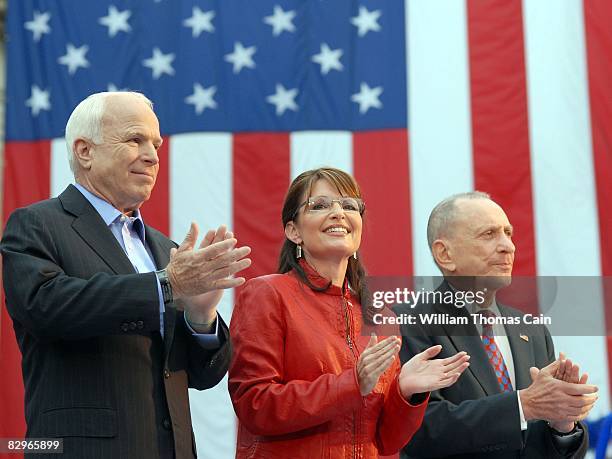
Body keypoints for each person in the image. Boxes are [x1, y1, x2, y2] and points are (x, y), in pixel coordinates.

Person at [1, 91, 252, 459]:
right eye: (136, 139)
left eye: (156, 144)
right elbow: (45, 307)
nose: (152, 156)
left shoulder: (165, 249)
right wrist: (167, 285)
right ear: (85, 151)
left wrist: (201, 316)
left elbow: (200, 376)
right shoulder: (37, 225)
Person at [228, 167, 470, 458]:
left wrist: (407, 393)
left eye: (348, 206)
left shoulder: (382, 317)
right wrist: (352, 383)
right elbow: (255, 405)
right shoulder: (267, 294)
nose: (338, 213)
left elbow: (386, 442)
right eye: (319, 205)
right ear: (294, 231)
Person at [395, 192, 598, 458]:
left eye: (508, 233)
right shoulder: (408, 322)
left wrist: (562, 423)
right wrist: (522, 406)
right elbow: (419, 430)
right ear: (445, 254)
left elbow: (550, 447)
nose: (508, 246)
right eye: (489, 234)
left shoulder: (533, 331)